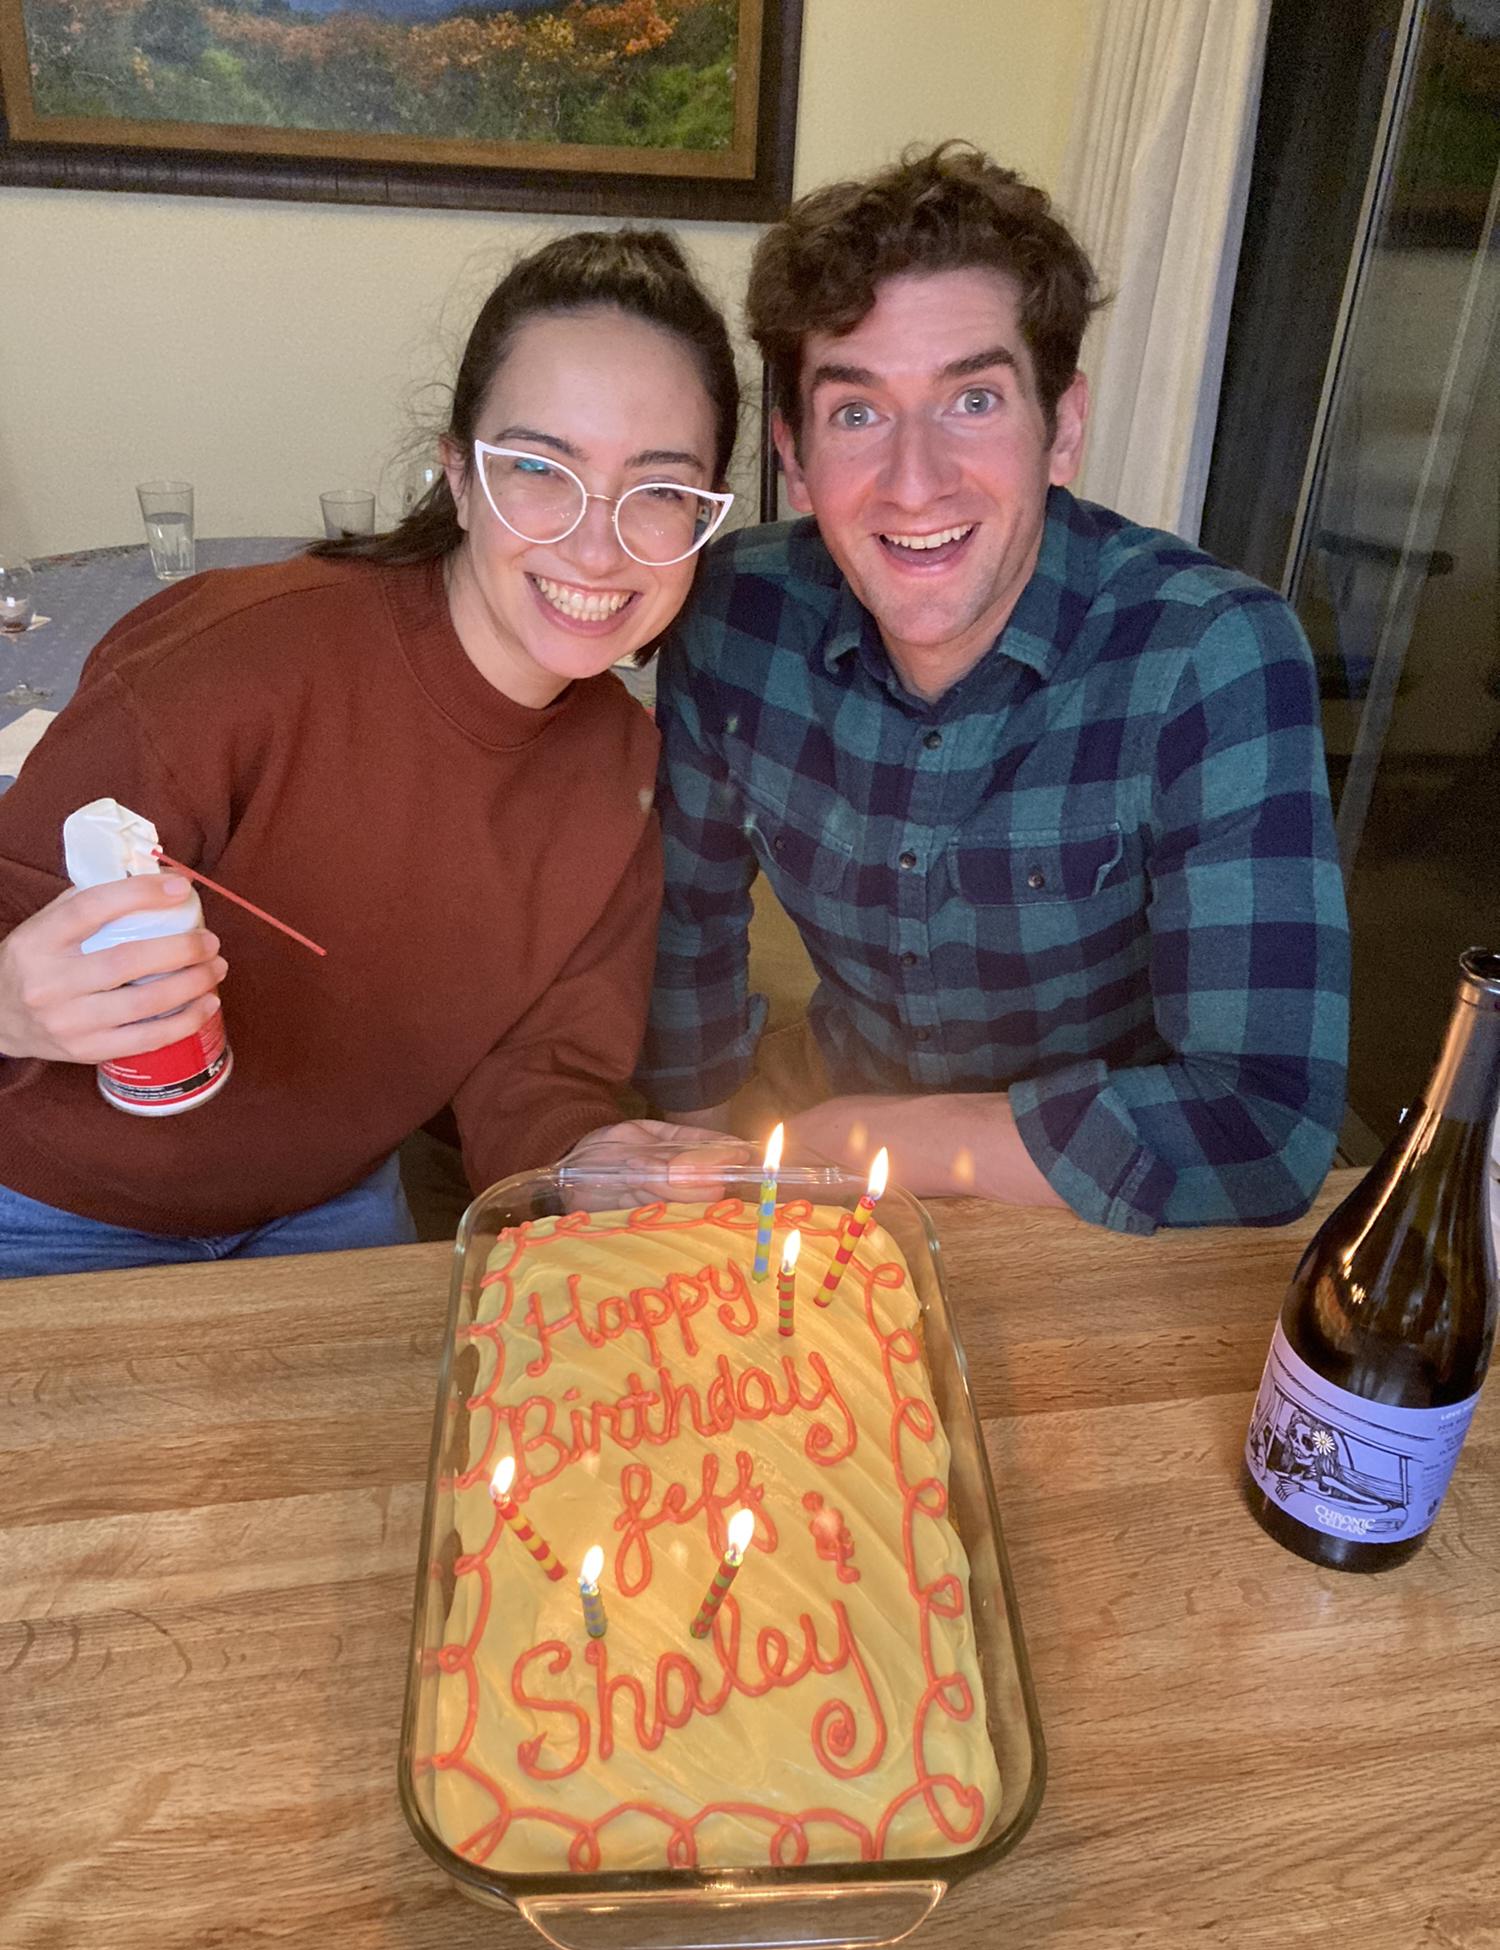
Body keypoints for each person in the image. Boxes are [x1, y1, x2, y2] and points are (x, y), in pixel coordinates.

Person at [631, 145, 1350, 1234]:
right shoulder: (731, 617)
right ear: (793, 451)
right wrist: (705, 1186)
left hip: (1097, 1204)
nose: (914, 480)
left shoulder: (1213, 655)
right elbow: (687, 943)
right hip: (829, 1151)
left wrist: (862, 1142)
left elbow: (1264, 1121)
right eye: (857, 413)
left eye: (972, 398)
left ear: (1061, 427)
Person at [0, 228, 739, 1278]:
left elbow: (538, 1070)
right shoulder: (235, 661)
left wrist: (583, 1160)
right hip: (50, 1207)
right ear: (459, 474)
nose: (596, 544)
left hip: (325, 1202)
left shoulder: (620, 762)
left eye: (659, 489)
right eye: (539, 467)